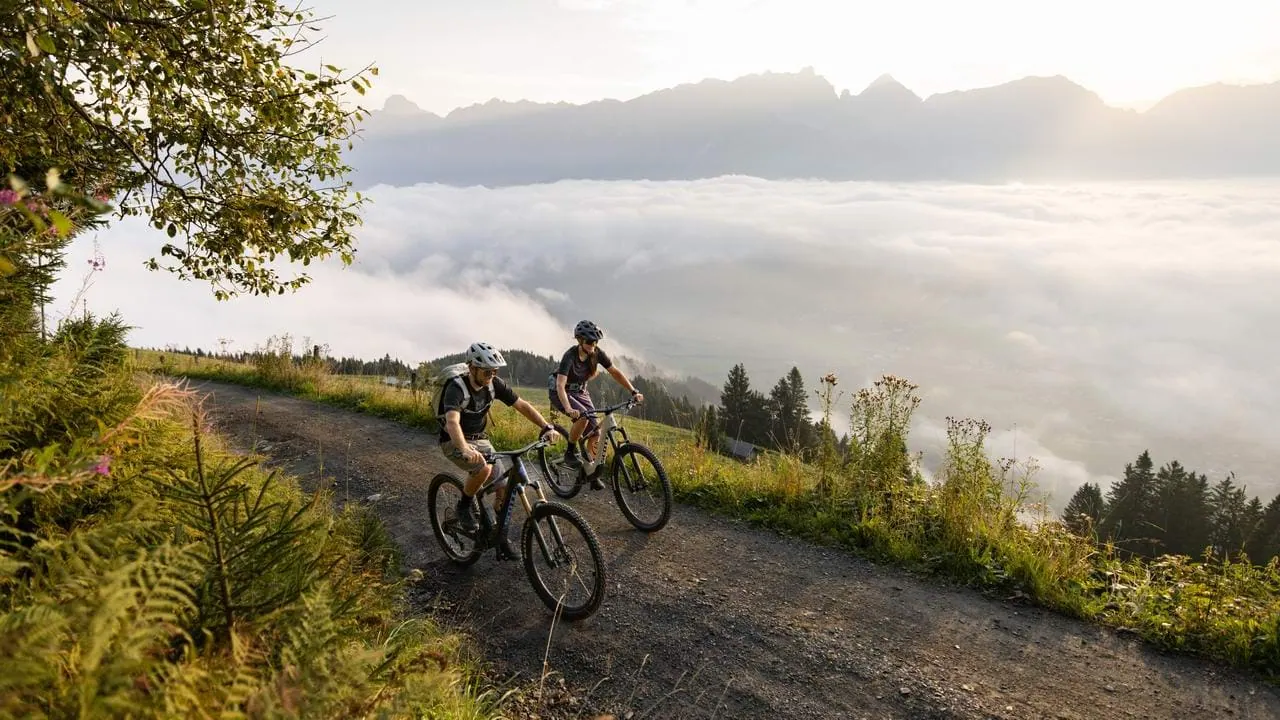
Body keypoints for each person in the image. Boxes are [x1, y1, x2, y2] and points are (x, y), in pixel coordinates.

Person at [440, 342, 559, 531]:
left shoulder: (494, 384)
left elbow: (522, 405)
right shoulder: (456, 388)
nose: (491, 376)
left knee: (504, 488)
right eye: (487, 372)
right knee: (483, 469)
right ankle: (463, 505)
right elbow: (452, 422)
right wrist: (463, 448)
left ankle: (498, 534)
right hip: (454, 440)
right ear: (472, 367)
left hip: (480, 438)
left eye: (494, 371)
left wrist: (546, 426)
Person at [550, 320, 644, 479]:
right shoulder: (570, 356)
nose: (593, 345)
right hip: (560, 391)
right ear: (580, 340)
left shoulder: (597, 353)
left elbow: (615, 372)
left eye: (595, 341)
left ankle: (590, 472)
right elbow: (560, 384)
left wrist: (633, 390)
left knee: (595, 432)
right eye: (589, 341)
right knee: (583, 417)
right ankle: (570, 451)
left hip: (580, 391)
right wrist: (568, 408)